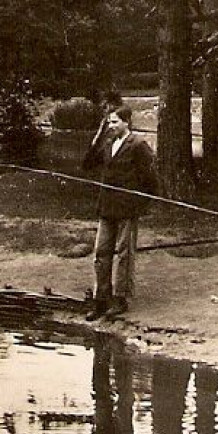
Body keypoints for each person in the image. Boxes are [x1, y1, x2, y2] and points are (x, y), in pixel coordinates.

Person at [81, 106, 159, 320]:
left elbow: (151, 180)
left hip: (127, 208)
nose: (111, 126)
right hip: (107, 207)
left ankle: (120, 298)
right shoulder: (107, 143)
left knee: (124, 254)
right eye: (108, 122)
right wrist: (97, 136)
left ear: (127, 122)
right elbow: (87, 164)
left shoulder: (138, 145)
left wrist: (140, 204)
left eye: (114, 122)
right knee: (101, 252)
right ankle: (101, 298)